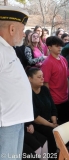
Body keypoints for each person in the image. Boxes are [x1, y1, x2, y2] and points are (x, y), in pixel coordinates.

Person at [0, 6, 34, 159]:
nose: (24, 34)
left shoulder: (8, 48)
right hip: (6, 121)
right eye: (22, 29)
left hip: (15, 119)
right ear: (12, 29)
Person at [26, 67, 59, 154]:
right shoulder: (27, 93)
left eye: (42, 76)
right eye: (39, 77)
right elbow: (35, 117)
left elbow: (52, 107)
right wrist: (51, 125)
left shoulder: (44, 89)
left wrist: (54, 122)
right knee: (52, 134)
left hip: (50, 122)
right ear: (30, 79)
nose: (42, 79)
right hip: (38, 125)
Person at [41, 36, 69, 123]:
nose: (59, 48)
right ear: (49, 47)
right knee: (58, 126)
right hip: (54, 100)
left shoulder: (63, 59)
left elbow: (67, 77)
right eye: (56, 46)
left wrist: (67, 92)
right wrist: (49, 100)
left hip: (65, 98)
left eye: (60, 46)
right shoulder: (47, 63)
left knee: (67, 123)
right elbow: (45, 83)